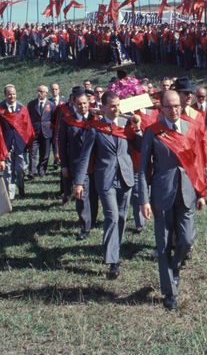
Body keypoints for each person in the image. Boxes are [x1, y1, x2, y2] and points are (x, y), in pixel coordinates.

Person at [136, 90, 207, 310]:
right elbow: (142, 170)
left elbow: (197, 163)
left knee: (186, 240)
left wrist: (201, 192)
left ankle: (175, 266)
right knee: (163, 244)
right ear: (162, 109)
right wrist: (144, 200)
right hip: (161, 194)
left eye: (177, 105)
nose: (175, 110)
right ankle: (169, 292)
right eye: (169, 106)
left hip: (186, 192)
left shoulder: (191, 128)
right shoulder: (153, 132)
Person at [72, 91, 140, 279]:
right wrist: (78, 182)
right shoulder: (95, 128)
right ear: (102, 108)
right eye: (112, 106)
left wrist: (139, 129)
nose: (116, 109)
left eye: (118, 105)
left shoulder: (127, 126)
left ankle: (112, 249)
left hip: (125, 177)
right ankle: (112, 260)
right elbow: (85, 156)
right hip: (106, 179)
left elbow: (140, 147)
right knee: (112, 216)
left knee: (122, 216)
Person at [59, 89, 98, 240]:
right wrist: (64, 165)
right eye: (79, 104)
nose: (82, 106)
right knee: (81, 197)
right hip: (76, 165)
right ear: (74, 104)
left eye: (85, 103)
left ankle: (92, 220)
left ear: (89, 103)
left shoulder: (96, 120)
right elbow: (62, 144)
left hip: (95, 164)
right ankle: (84, 226)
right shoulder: (67, 121)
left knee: (94, 195)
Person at [0, 85, 34, 199]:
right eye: (9, 94)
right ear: (5, 95)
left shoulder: (22, 109)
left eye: (14, 94)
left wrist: (28, 143)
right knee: (8, 171)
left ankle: (21, 188)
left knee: (20, 169)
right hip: (5, 144)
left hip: (20, 144)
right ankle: (10, 195)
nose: (12, 96)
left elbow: (28, 127)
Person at [27, 85, 55, 177]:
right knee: (32, 153)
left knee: (45, 153)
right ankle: (32, 172)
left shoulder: (51, 105)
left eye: (42, 91)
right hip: (34, 132)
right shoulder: (31, 104)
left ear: (46, 93)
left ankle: (42, 170)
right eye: (38, 91)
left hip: (47, 132)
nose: (39, 93)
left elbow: (54, 119)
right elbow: (28, 118)